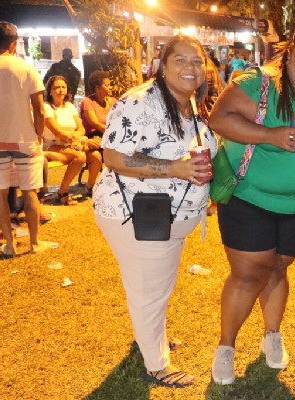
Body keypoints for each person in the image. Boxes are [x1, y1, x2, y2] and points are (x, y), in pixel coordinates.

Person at [208, 28, 295, 385]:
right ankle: (226, 347)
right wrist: (270, 135)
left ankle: (272, 335)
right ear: (288, 53)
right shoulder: (259, 83)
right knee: (249, 275)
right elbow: (219, 118)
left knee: (278, 269)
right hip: (251, 199)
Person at [93, 34, 216, 388]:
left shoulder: (187, 102)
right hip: (135, 213)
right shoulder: (139, 102)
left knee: (156, 285)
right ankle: (157, 364)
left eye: (197, 61)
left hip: (165, 217)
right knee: (149, 290)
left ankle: (150, 335)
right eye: (180, 60)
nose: (190, 67)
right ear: (162, 66)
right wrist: (175, 168)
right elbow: (114, 157)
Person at [0, 21, 54, 255]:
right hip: (24, 138)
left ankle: (9, 246)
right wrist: (38, 136)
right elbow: (39, 110)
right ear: (14, 43)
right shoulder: (26, 68)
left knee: (0, 193)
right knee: (29, 191)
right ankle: (34, 243)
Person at [42, 75, 87, 205]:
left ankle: (89, 188)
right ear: (50, 91)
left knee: (93, 155)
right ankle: (63, 191)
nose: (61, 90)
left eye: (63, 87)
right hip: (52, 144)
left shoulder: (70, 106)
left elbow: (81, 129)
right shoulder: (47, 107)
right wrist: (74, 138)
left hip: (70, 144)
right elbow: (57, 132)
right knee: (80, 157)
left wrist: (76, 137)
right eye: (56, 87)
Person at [79, 70, 115, 196]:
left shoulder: (113, 101)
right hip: (93, 138)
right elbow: (95, 123)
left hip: (109, 136)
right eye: (107, 85)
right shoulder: (87, 102)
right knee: (96, 156)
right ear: (97, 88)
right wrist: (113, 134)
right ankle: (90, 186)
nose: (110, 87)